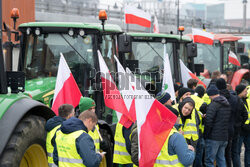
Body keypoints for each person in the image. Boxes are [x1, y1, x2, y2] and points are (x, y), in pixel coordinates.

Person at [216, 78, 243, 167]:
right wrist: (238, 123)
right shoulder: (235, 98)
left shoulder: (217, 99)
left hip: (221, 130)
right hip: (233, 128)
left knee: (220, 153)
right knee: (231, 153)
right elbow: (243, 113)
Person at [204, 85, 231, 167]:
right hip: (224, 137)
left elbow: (208, 121)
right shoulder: (227, 103)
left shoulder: (214, 104)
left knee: (209, 161)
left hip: (213, 137)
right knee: (221, 159)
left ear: (211, 95)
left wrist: (206, 135)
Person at [236, 84, 250, 167]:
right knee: (237, 151)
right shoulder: (237, 101)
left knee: (248, 149)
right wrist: (242, 125)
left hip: (248, 130)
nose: (246, 92)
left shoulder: (247, 100)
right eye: (245, 91)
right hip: (240, 130)